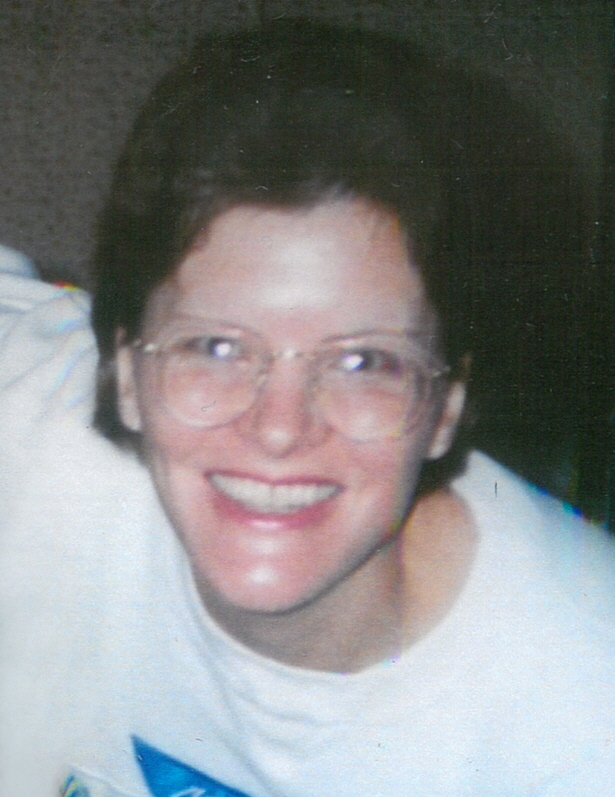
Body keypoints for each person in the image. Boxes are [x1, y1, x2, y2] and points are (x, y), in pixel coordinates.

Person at [1, 20, 614, 797]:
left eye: (362, 362)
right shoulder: (34, 420)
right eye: (215, 347)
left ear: (445, 405)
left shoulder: (582, 723)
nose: (279, 428)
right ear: (123, 369)